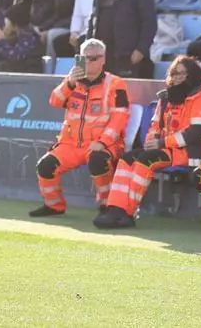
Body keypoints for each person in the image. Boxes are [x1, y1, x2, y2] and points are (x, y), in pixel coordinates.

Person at [96, 56, 201, 229]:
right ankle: (115, 210)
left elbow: (196, 132)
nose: (177, 77)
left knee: (145, 160)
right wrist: (152, 140)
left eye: (182, 73)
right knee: (127, 159)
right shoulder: (165, 98)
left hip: (192, 153)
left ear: (193, 75)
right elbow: (155, 126)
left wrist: (162, 143)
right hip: (168, 149)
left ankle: (128, 214)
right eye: (174, 73)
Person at [29, 38, 130, 218]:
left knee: (98, 160)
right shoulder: (72, 81)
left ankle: (107, 205)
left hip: (103, 143)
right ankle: (54, 206)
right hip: (70, 143)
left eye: (94, 58)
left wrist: (103, 142)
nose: (89, 61)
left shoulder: (115, 83)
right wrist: (69, 82)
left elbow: (120, 118)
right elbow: (54, 101)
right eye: (85, 58)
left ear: (103, 59)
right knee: (45, 166)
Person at [87, 0, 157, 79]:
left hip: (127, 58)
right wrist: (88, 50)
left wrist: (140, 51)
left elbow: (149, 23)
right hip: (102, 57)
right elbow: (93, 21)